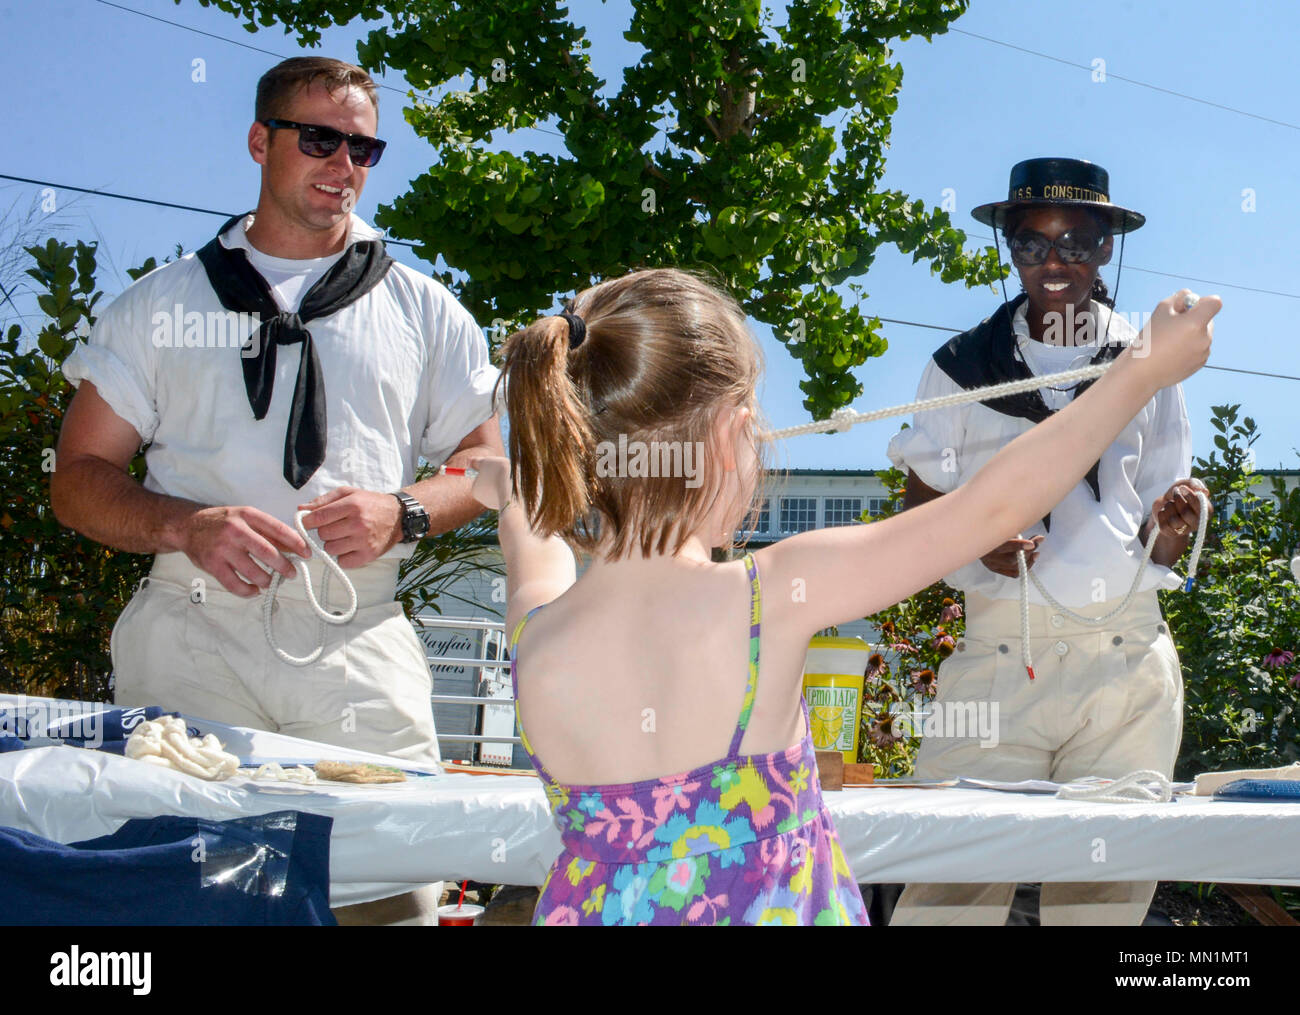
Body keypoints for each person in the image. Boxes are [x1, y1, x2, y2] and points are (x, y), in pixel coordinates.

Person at [464, 266, 1217, 926]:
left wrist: (508, 492)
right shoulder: (771, 597)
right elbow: (985, 507)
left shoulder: (540, 637)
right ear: (733, 433)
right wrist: (1138, 371)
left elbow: (532, 552)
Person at [50, 56, 503, 925]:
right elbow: (77, 481)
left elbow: (484, 471)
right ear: (261, 140)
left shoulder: (426, 311)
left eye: (364, 148)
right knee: (185, 901)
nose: (345, 165)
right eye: (321, 139)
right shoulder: (158, 305)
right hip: (191, 633)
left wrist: (401, 509)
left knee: (397, 894)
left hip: (358, 633)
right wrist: (186, 525)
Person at [886, 157, 1212, 926]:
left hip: (1126, 668)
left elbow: (1150, 534)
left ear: (1106, 248)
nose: (1055, 261)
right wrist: (977, 541)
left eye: (1076, 240)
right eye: (1033, 244)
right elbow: (916, 511)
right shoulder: (960, 367)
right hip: (1000, 666)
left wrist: (1170, 531)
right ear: (1009, 249)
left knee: (1102, 906)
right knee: (948, 893)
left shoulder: (1153, 366)